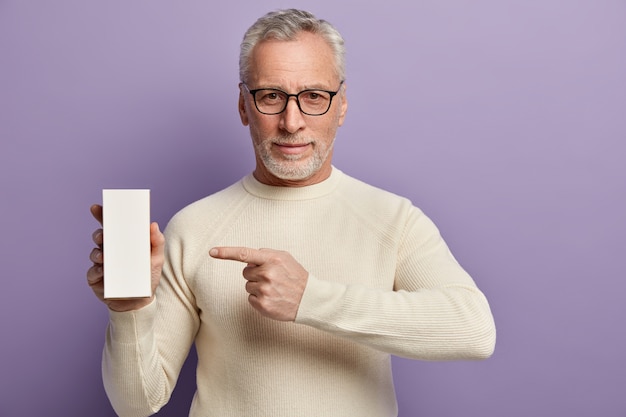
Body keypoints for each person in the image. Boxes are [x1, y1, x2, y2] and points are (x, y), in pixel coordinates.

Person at [87, 9, 496, 417]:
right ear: (244, 106)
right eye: (271, 96)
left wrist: (310, 299)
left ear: (342, 106)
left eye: (314, 96)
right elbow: (136, 404)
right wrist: (130, 313)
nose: (292, 122)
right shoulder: (193, 227)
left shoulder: (393, 219)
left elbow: (475, 331)